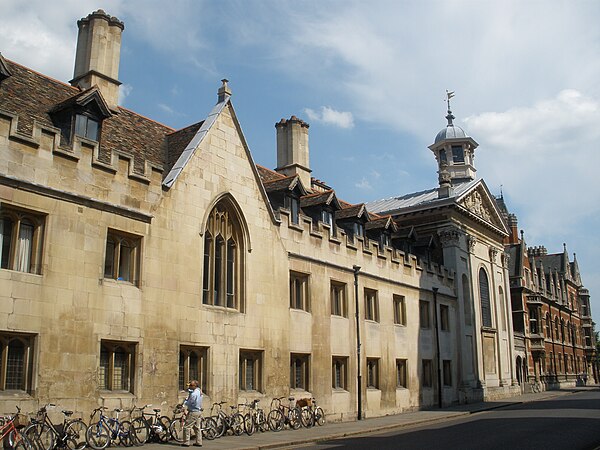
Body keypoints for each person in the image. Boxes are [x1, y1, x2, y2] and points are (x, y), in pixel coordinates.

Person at [182, 380, 203, 447]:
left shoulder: (194, 394)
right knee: (197, 427)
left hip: (193, 411)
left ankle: (186, 442)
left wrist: (185, 402)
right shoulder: (199, 391)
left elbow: (191, 402)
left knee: (186, 427)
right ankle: (199, 442)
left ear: (195, 386)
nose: (189, 386)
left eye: (191, 385)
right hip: (198, 411)